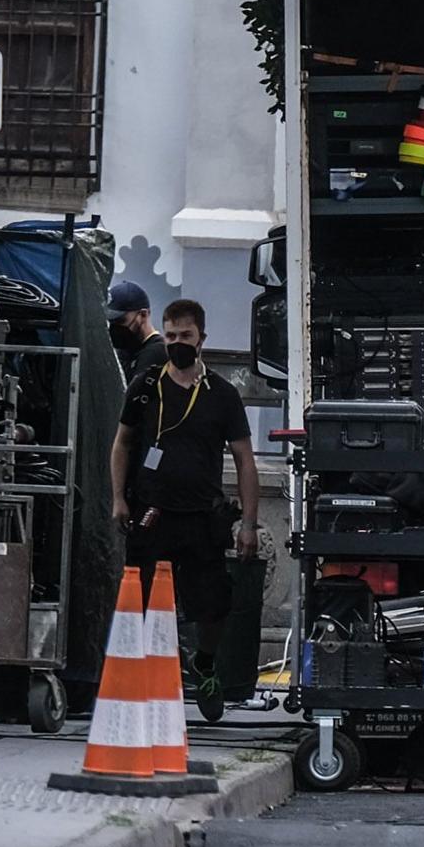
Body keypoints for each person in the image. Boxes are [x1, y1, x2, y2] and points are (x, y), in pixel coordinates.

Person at [110, 299, 257, 720]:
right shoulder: (145, 386)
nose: (176, 344)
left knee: (213, 606)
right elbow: (122, 443)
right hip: (151, 512)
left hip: (201, 517)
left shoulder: (223, 395)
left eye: (185, 337)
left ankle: (206, 665)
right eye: (171, 336)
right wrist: (119, 497)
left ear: (201, 339)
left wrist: (248, 522)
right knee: (139, 603)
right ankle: (142, 682)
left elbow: (245, 459)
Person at [106, 280, 167, 380]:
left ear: (143, 315)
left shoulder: (156, 352)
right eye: (112, 322)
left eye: (121, 321)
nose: (115, 327)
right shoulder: (126, 351)